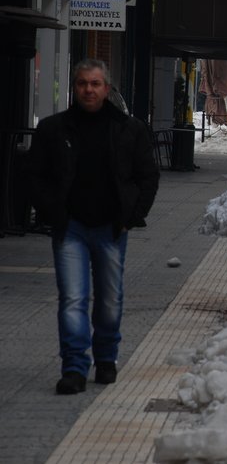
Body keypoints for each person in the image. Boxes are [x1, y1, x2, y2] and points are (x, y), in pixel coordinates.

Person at [26, 59, 159, 395]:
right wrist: (52, 212)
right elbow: (34, 176)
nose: (89, 89)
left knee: (110, 299)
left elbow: (148, 177)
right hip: (70, 227)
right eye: (83, 83)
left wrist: (132, 217)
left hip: (112, 227)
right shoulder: (54, 129)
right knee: (73, 297)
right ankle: (73, 366)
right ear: (75, 87)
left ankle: (105, 359)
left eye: (95, 83)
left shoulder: (129, 129)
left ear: (107, 88)